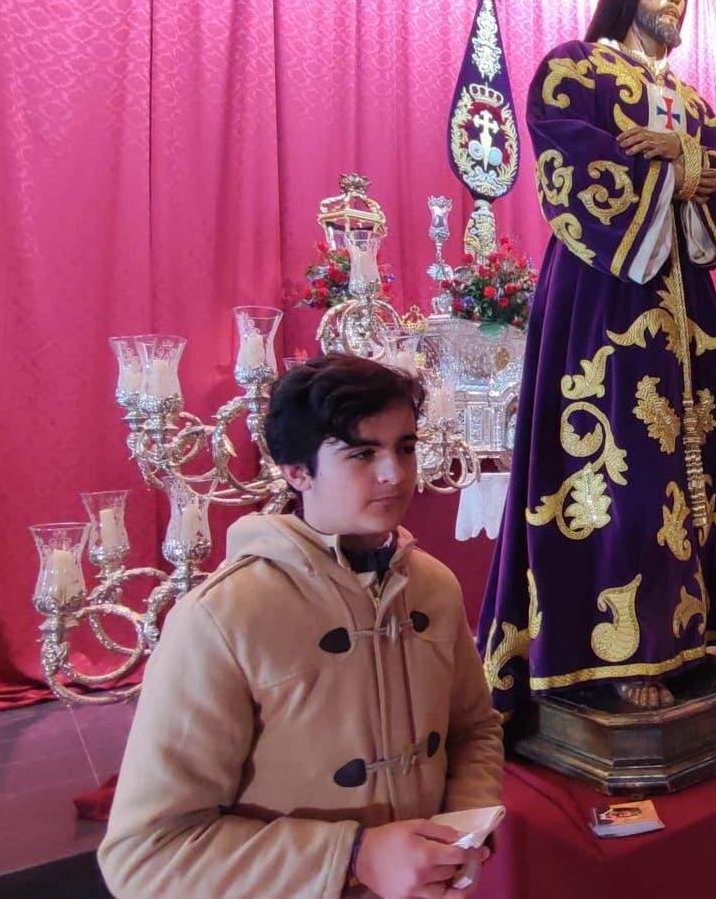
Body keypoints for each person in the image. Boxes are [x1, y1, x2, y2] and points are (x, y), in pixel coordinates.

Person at [476, 0, 716, 713]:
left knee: (697, 461)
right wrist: (673, 166)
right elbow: (570, 163)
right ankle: (616, 651)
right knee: (621, 464)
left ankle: (694, 636)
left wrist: (683, 156)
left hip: (687, 307)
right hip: (606, 291)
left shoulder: (695, 103)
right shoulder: (574, 68)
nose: (675, 0)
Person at [99, 355, 504, 899]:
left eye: (405, 447)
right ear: (296, 471)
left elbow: (473, 731)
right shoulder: (223, 615)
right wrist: (354, 856)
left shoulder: (434, 586)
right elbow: (146, 854)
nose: (395, 473)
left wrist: (462, 829)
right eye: (362, 453)